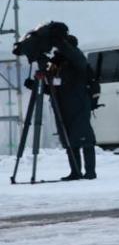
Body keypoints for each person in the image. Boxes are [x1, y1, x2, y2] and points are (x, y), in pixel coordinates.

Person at [38, 22, 98, 181]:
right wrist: (35, 85)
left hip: (78, 104)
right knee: (69, 140)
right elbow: (53, 86)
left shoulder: (78, 61)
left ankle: (90, 172)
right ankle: (75, 172)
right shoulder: (57, 64)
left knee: (84, 138)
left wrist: (61, 42)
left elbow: (71, 55)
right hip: (62, 106)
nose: (58, 51)